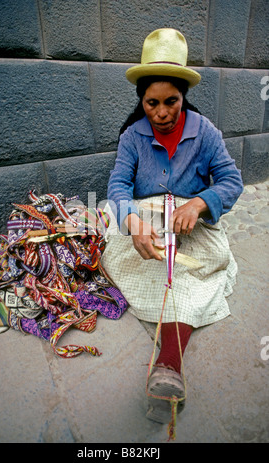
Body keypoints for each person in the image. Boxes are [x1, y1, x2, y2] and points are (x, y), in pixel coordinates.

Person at [101, 28, 243, 424]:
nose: (161, 113)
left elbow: (231, 182)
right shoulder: (132, 137)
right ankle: (170, 357)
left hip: (191, 226)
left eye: (171, 102)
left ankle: (168, 365)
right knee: (143, 265)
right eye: (152, 103)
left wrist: (200, 203)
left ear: (184, 98)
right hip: (146, 217)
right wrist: (130, 218)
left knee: (188, 272)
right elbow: (118, 184)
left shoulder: (206, 133)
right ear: (141, 101)